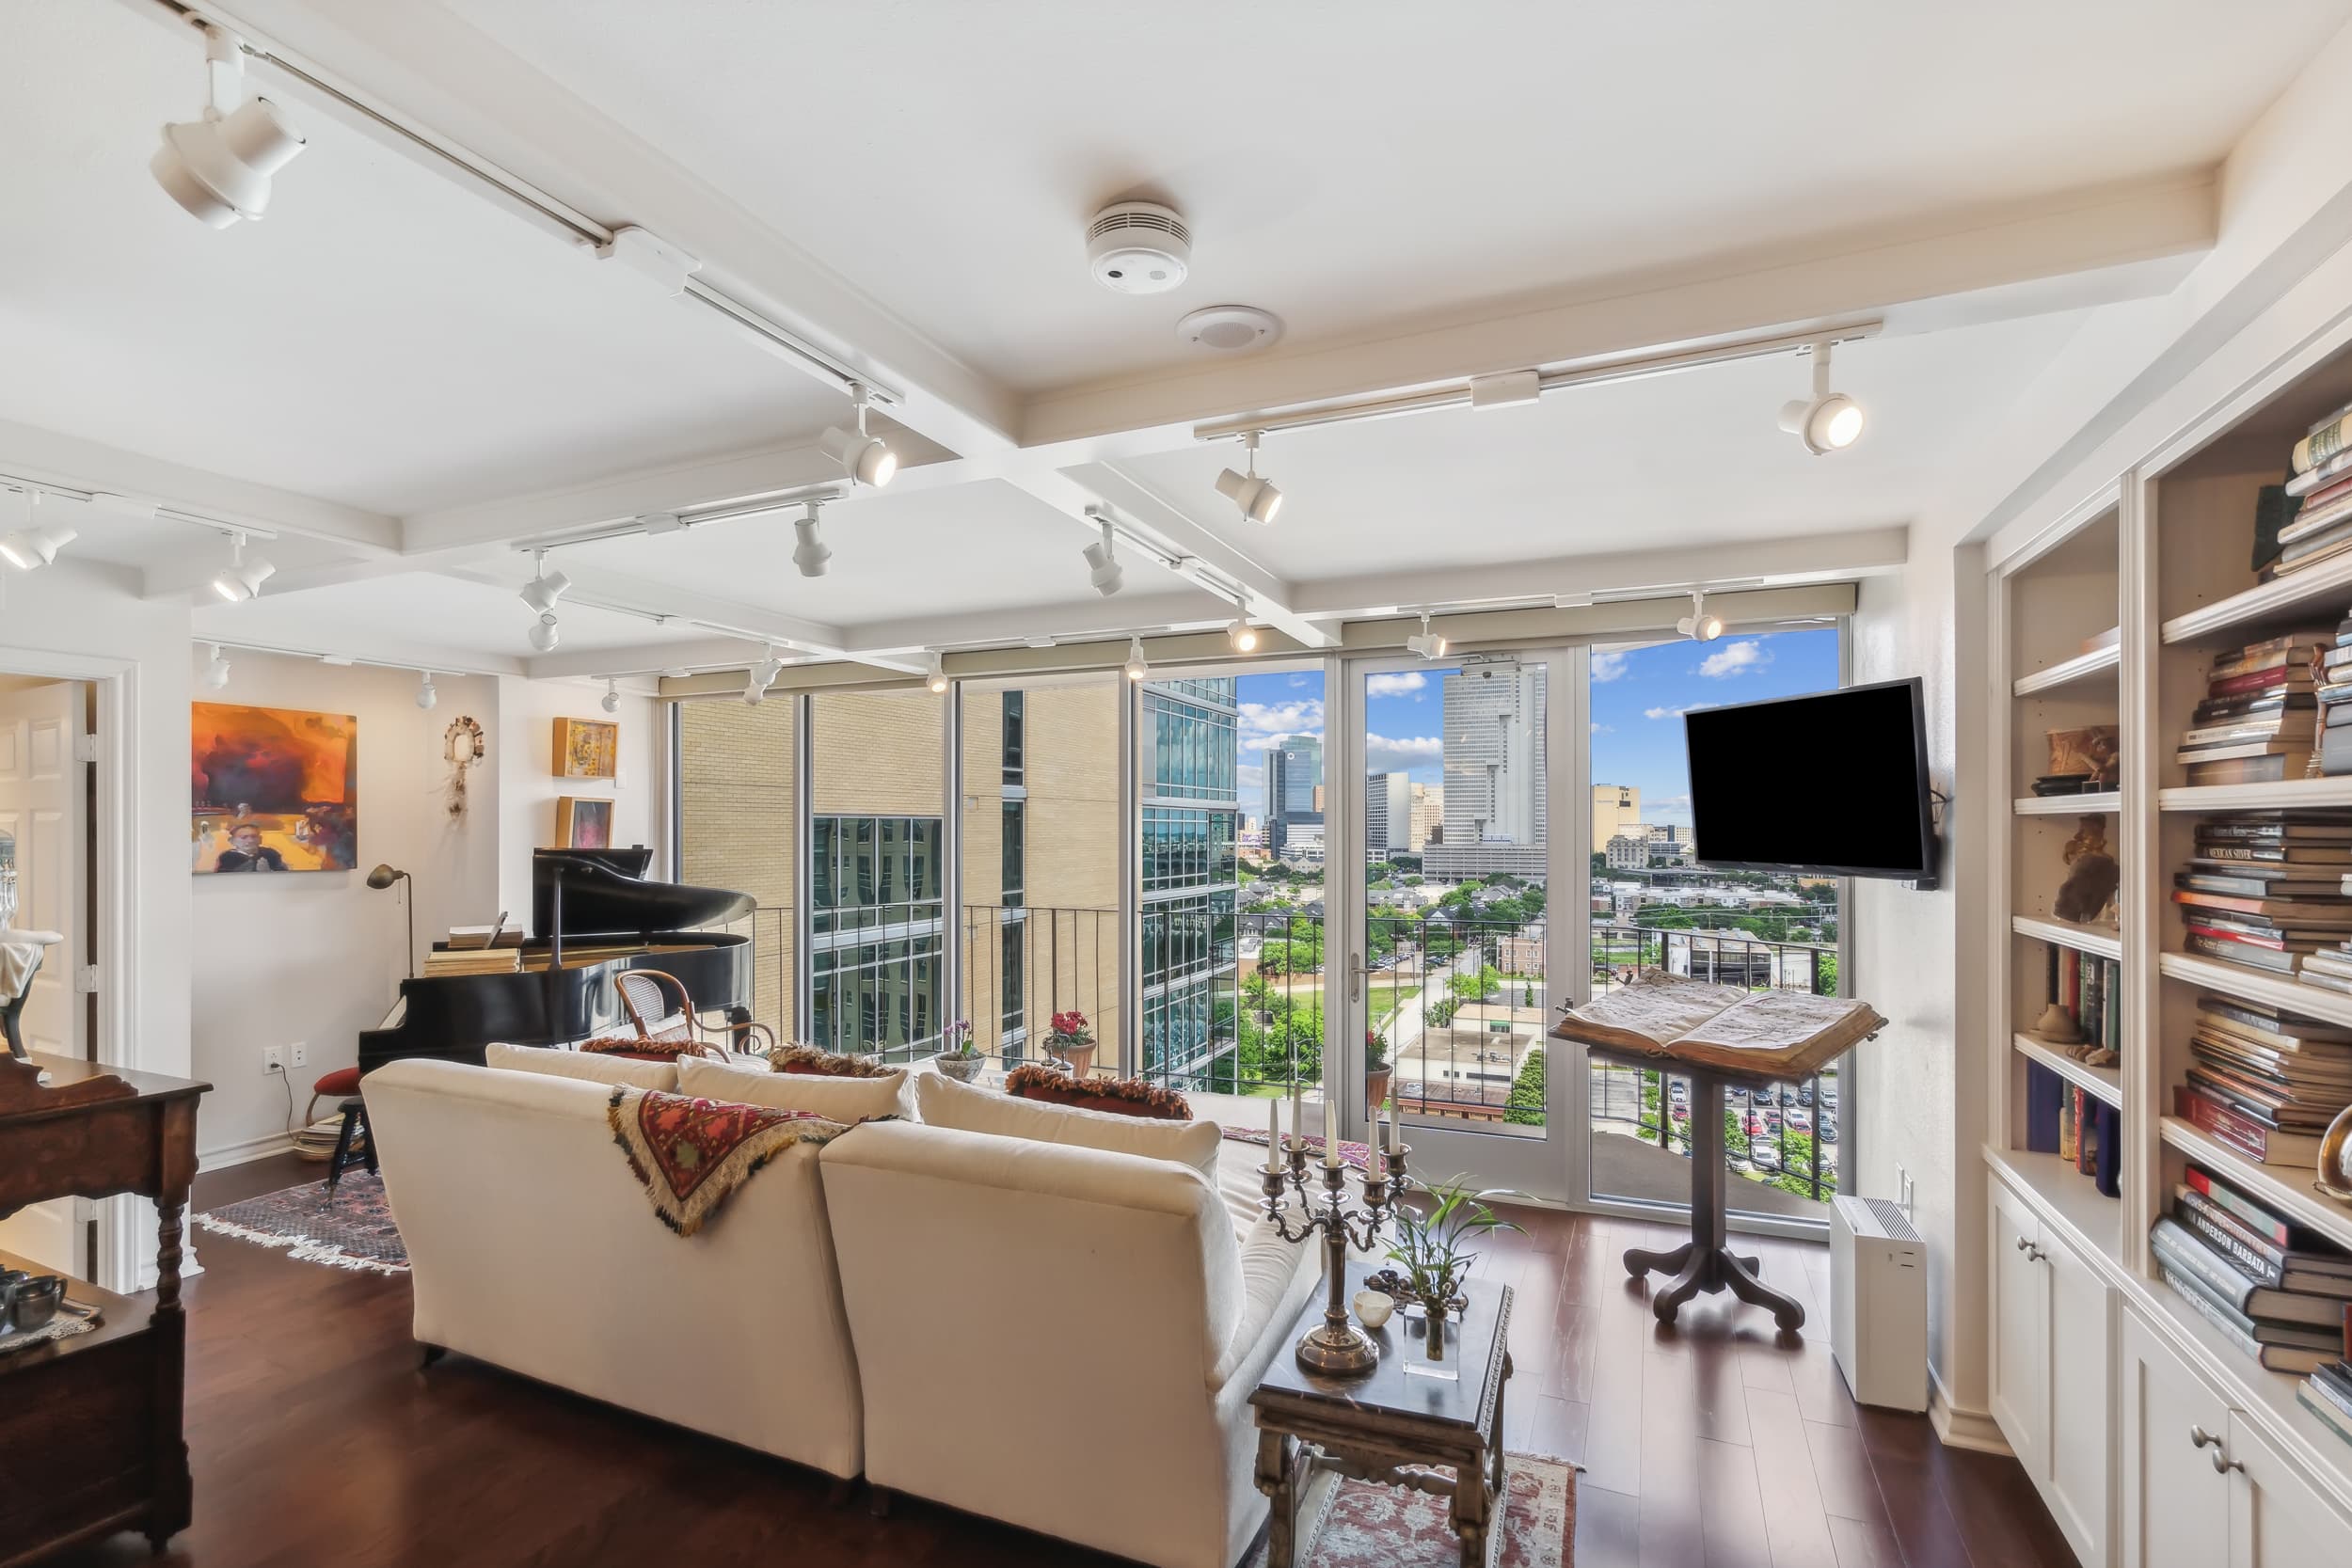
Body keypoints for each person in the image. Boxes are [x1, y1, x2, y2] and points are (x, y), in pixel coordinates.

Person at [214, 823, 286, 873]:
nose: (250, 841)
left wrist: (268, 872)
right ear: (232, 841)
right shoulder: (227, 857)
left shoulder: (270, 854)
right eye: (243, 837)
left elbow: (285, 877)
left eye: (254, 837)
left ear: (260, 839)